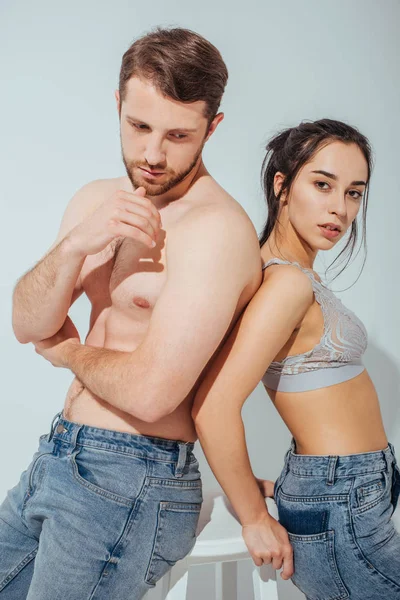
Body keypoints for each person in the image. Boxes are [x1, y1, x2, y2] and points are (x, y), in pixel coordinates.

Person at [0, 27, 262, 599]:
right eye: (139, 126)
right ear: (118, 104)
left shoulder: (214, 231)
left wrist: (64, 349)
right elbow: (24, 320)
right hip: (58, 454)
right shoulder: (95, 200)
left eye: (177, 135)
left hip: (134, 476)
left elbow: (150, 395)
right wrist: (75, 245)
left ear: (212, 129)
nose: (152, 154)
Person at [192, 119, 400, 598]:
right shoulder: (285, 283)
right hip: (339, 495)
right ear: (281, 185)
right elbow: (214, 406)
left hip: (350, 488)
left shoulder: (295, 275)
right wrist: (254, 517)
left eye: (354, 193)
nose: (339, 208)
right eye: (323, 184)